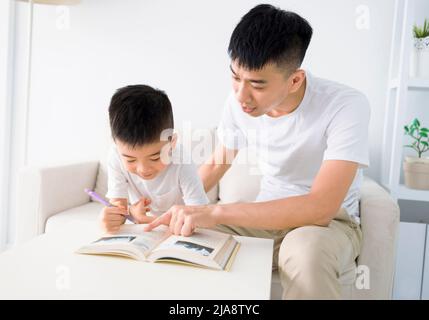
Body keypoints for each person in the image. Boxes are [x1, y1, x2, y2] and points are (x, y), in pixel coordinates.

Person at [145, 4, 370, 299]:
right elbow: (216, 165)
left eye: (256, 84)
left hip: (328, 224)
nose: (241, 95)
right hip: (264, 217)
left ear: (295, 80)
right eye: (235, 77)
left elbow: (321, 207)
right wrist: (160, 207)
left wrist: (215, 211)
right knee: (175, 234)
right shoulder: (238, 103)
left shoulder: (345, 105)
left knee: (306, 253)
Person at [100, 84, 209, 233]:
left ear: (172, 143)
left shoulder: (182, 160)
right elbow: (119, 208)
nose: (143, 169)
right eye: (131, 160)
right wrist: (111, 218)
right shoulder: (116, 156)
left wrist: (144, 219)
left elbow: (199, 215)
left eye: (155, 158)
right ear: (116, 145)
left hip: (178, 228)